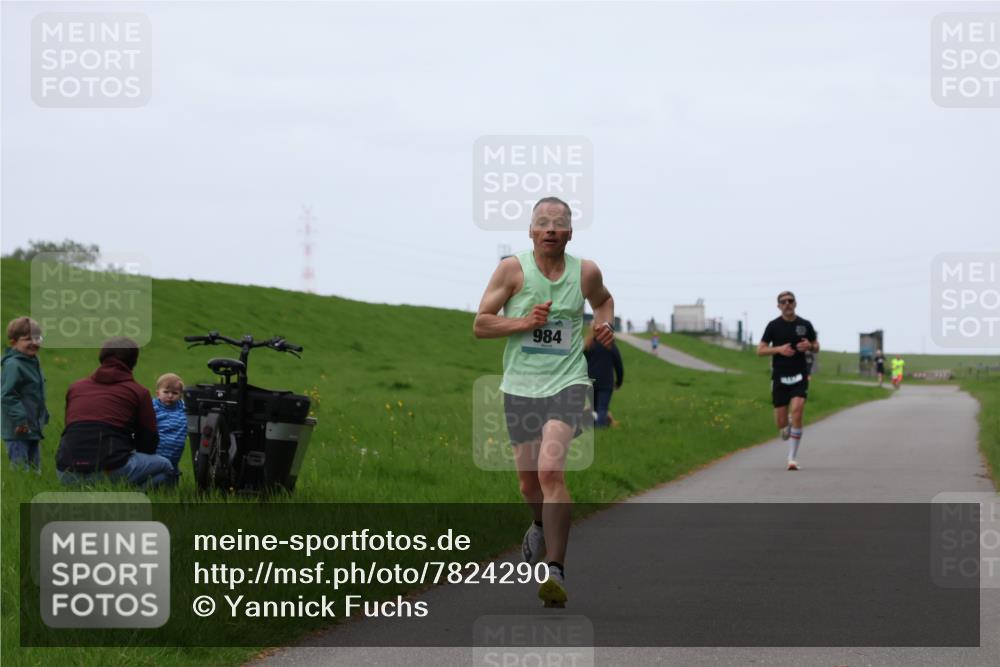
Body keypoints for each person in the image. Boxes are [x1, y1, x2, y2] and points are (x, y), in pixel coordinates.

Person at [474, 196, 614, 608]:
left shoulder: (585, 272)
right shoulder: (511, 270)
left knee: (551, 471)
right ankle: (538, 523)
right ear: (531, 231)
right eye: (543, 222)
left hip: (568, 383)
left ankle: (555, 571)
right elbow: (481, 324)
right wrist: (524, 321)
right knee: (528, 483)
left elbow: (603, 301)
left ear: (570, 233)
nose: (550, 228)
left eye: (559, 222)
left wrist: (604, 325)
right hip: (520, 386)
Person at [56, 337, 174, 489]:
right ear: (133, 361)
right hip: (110, 469)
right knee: (166, 467)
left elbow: (72, 428)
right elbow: (148, 442)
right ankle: (129, 497)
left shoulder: (75, 388)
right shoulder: (138, 392)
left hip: (66, 472)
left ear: (102, 357)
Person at [757, 291, 819, 471]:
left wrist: (810, 346)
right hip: (780, 377)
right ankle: (787, 423)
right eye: (783, 302)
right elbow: (760, 350)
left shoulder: (805, 324)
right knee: (782, 427)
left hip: (800, 375)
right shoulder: (773, 326)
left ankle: (792, 458)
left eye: (790, 301)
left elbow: (816, 346)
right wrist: (778, 350)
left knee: (798, 409)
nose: (787, 304)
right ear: (779, 306)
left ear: (795, 303)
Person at [1, 317, 50, 472]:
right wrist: (21, 420)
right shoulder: (14, 365)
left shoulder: (32, 362)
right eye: (28, 339)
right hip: (18, 429)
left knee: (35, 470)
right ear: (13, 342)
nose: (34, 342)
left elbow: (35, 394)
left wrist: (43, 415)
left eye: (37, 338)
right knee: (21, 470)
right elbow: (8, 395)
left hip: (32, 427)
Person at [584, 330, 623, 427]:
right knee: (602, 407)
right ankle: (600, 427)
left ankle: (592, 425)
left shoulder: (589, 345)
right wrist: (619, 382)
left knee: (593, 407)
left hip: (590, 381)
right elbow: (618, 365)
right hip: (606, 382)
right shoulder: (611, 346)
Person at [153, 372, 187, 484]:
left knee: (172, 480)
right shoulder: (153, 407)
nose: (170, 396)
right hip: (156, 452)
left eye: (175, 393)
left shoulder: (184, 408)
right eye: (166, 392)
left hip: (175, 454)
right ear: (158, 393)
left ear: (180, 395)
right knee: (157, 477)